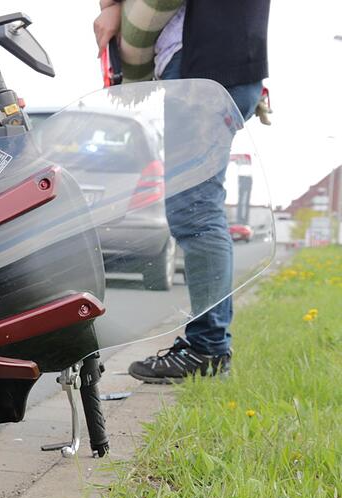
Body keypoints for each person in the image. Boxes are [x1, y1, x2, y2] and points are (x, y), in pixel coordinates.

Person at [93, 0, 271, 383]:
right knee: (199, 209)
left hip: (204, 66)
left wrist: (111, 6)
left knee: (196, 211)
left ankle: (207, 350)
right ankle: (208, 346)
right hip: (225, 62)